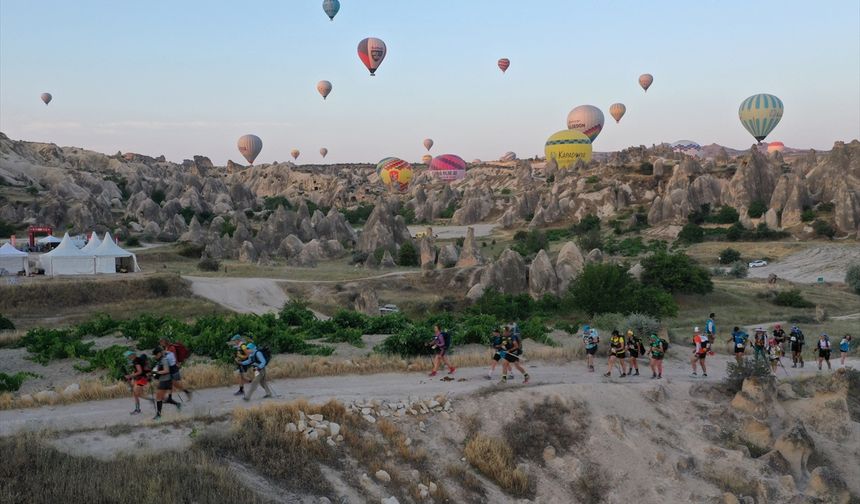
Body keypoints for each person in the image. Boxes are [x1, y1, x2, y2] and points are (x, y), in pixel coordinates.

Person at [151, 346, 182, 420]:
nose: (155, 356)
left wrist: (156, 372)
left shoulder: (164, 360)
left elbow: (166, 370)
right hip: (164, 380)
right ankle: (177, 404)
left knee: (158, 398)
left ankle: (158, 415)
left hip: (165, 380)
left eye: (155, 355)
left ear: (159, 353)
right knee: (161, 398)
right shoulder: (161, 360)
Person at [158, 337, 192, 402]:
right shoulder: (166, 348)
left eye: (161, 342)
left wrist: (176, 364)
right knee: (171, 383)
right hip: (170, 367)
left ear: (165, 341)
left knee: (175, 384)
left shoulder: (171, 347)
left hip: (173, 367)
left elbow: (174, 357)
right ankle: (171, 397)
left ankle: (187, 392)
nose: (160, 343)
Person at [124, 350, 150, 415]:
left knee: (138, 394)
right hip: (141, 379)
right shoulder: (138, 360)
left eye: (129, 356)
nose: (128, 357)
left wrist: (130, 376)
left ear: (132, 355)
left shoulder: (136, 361)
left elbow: (140, 371)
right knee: (135, 394)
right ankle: (137, 410)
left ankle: (154, 400)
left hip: (141, 379)